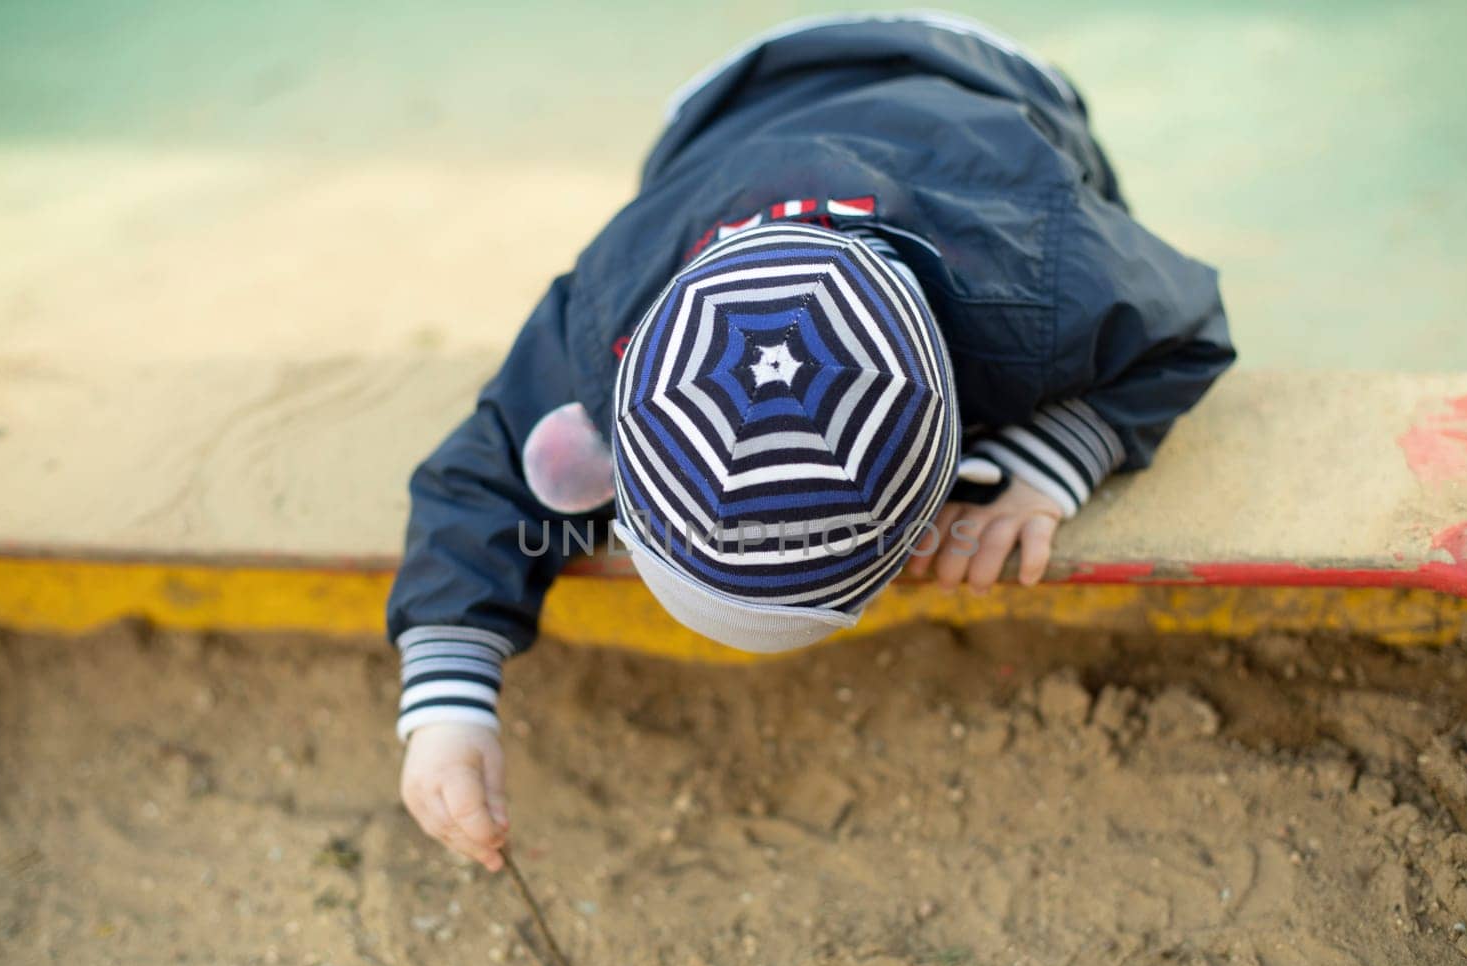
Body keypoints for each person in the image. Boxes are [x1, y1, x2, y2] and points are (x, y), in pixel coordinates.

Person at [389, 14, 1235, 871]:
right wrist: (447, 707)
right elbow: (481, 476)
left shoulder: (1043, 279)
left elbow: (1188, 322)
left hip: (985, 90)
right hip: (727, 109)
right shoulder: (610, 313)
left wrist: (1051, 460)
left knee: (1095, 236)